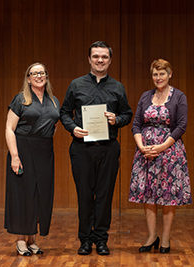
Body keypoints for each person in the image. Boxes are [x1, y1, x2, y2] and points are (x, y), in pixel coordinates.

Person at [60, 41, 133, 255]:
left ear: (110, 60)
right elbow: (64, 112)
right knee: (84, 195)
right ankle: (85, 239)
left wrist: (117, 120)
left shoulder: (118, 87)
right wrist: (72, 128)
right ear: (89, 59)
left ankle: (101, 239)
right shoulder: (76, 85)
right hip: (81, 149)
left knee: (104, 195)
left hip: (108, 148)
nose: (99, 60)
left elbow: (127, 114)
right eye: (95, 56)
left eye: (104, 57)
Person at [129, 59, 192, 254]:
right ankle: (151, 236)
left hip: (170, 153)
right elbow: (136, 124)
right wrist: (142, 147)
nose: (158, 78)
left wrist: (161, 147)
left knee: (167, 195)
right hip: (146, 153)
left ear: (170, 74)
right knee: (148, 193)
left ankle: (165, 237)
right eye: (155, 74)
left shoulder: (179, 97)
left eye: (162, 73)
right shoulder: (145, 96)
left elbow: (181, 126)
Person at [4, 63, 60, 256]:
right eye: (34, 73)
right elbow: (9, 129)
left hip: (45, 152)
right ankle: (20, 240)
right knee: (23, 194)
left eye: (42, 73)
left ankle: (32, 239)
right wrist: (14, 156)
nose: (39, 76)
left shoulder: (54, 101)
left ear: (46, 76)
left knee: (40, 194)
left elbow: (54, 125)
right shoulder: (20, 100)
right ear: (28, 78)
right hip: (23, 150)